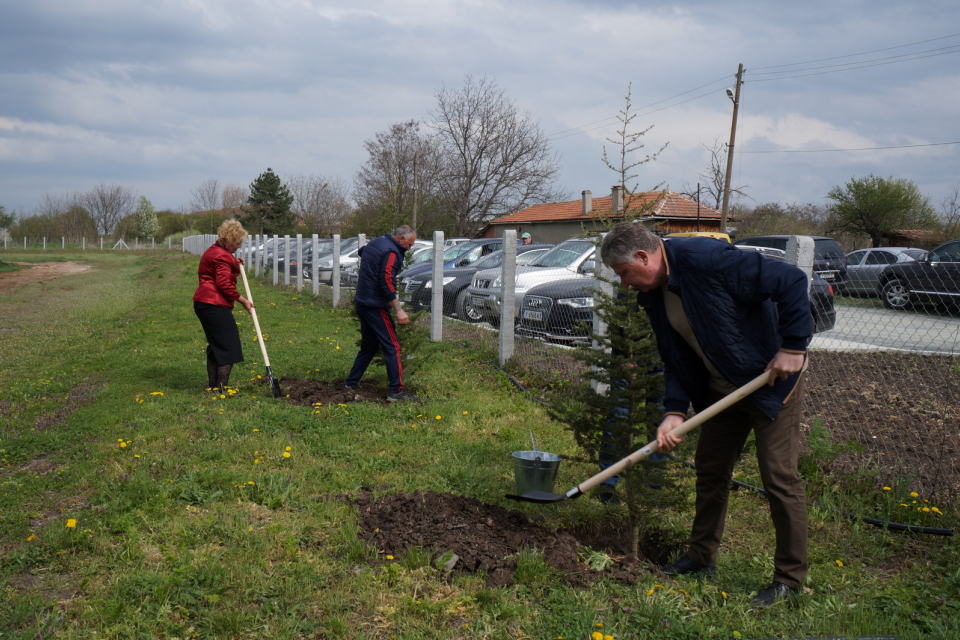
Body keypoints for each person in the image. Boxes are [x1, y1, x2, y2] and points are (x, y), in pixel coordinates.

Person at [600, 221, 811, 608]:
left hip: (770, 383)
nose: (625, 284)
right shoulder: (654, 294)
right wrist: (675, 411)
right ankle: (701, 558)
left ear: (644, 257)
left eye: (624, 272)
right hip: (722, 391)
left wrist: (794, 345)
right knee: (711, 470)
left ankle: (789, 580)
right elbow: (675, 356)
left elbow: (791, 280)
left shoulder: (708, 259)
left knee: (778, 477)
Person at [345, 225, 420, 402]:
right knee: (392, 346)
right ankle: (396, 392)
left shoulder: (377, 242)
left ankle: (350, 383)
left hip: (362, 301)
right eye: (410, 244)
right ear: (401, 239)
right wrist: (398, 310)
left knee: (369, 347)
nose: (409, 249)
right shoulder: (392, 252)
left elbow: (363, 252)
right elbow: (386, 280)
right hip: (375, 305)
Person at [193, 219, 254, 392]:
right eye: (237, 243)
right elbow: (224, 284)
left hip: (205, 304)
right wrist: (243, 301)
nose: (238, 247)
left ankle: (213, 386)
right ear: (228, 241)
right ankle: (221, 388)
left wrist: (236, 262)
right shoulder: (221, 256)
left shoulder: (215, 250)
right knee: (228, 345)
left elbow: (224, 264)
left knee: (217, 345)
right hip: (214, 304)